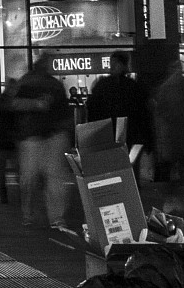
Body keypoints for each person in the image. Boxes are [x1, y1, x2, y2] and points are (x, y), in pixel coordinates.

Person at [10, 56, 71, 229]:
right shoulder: (54, 84)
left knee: (30, 178)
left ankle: (30, 214)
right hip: (51, 135)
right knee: (54, 179)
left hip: (33, 136)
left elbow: (13, 105)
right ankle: (56, 217)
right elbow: (64, 112)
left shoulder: (26, 82)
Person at [150, 56, 184, 220]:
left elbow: (159, 115)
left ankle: (173, 201)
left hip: (172, 138)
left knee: (172, 171)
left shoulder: (164, 90)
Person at [83, 52, 139, 145]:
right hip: (128, 132)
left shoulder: (102, 85)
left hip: (105, 132)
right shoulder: (133, 86)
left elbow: (92, 109)